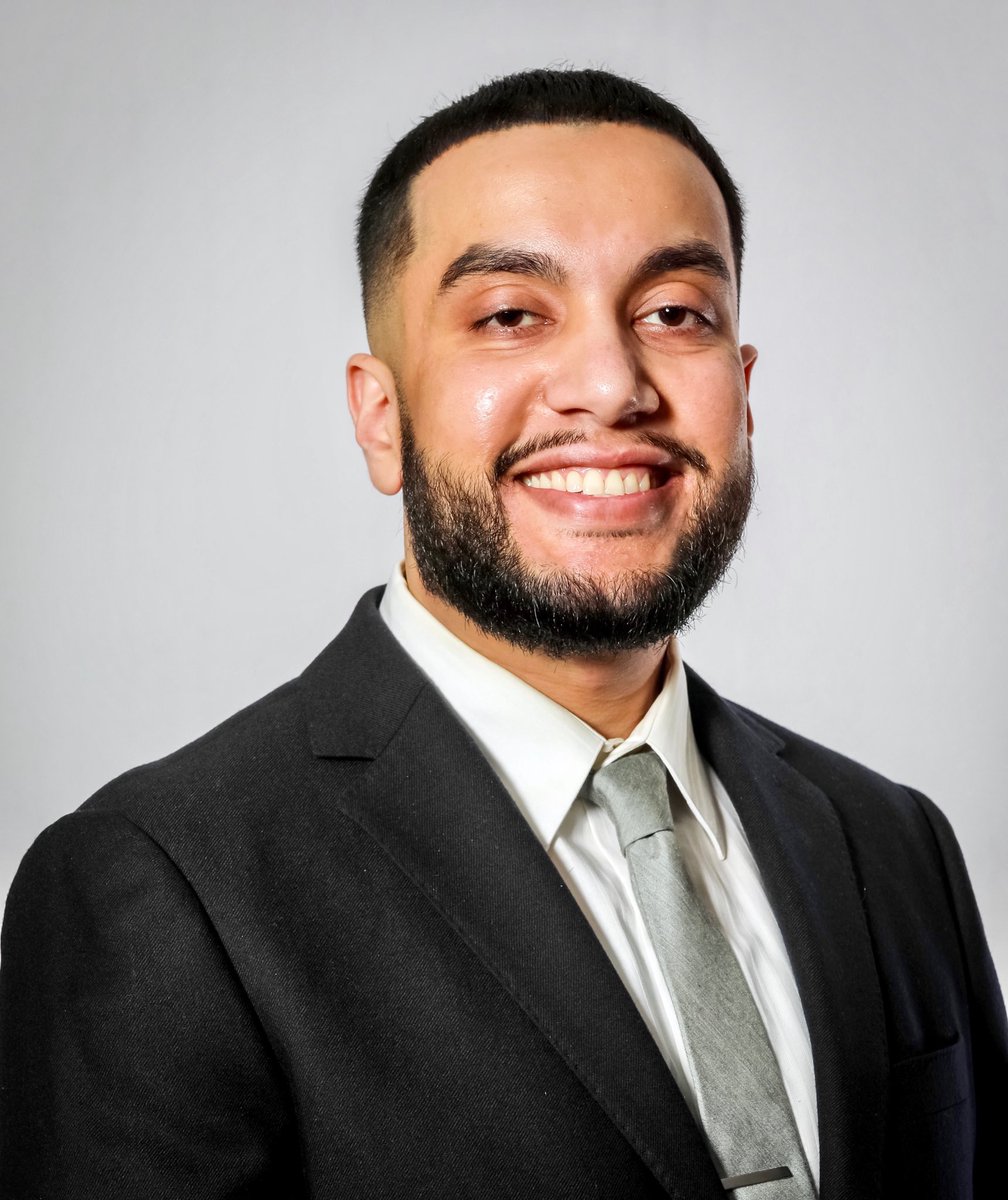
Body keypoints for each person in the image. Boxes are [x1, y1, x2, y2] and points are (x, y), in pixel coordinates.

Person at [0, 67, 1004, 1200]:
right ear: (382, 417)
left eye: (674, 313)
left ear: (744, 385)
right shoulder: (163, 887)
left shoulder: (894, 844)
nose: (611, 387)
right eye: (511, 316)